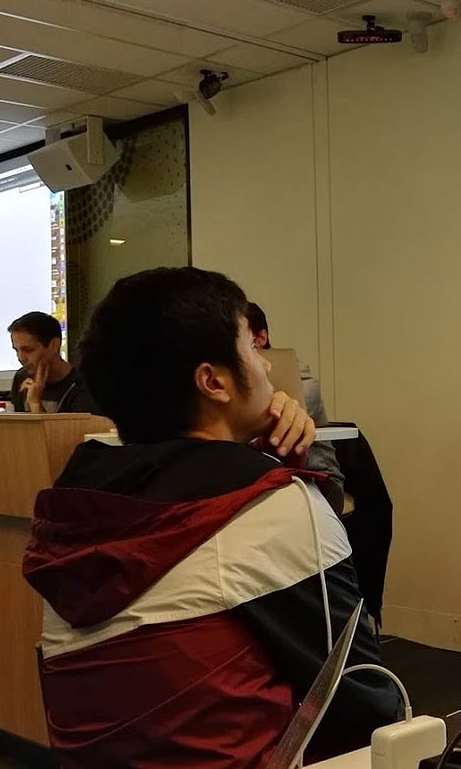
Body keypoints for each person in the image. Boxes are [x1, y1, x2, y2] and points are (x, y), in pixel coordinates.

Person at [22, 267, 400, 767]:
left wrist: (262, 462)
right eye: (252, 348)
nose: (266, 366)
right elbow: (362, 698)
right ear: (214, 381)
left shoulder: (77, 506)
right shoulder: (272, 508)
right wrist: (279, 481)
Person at [244, 301, 349, 514]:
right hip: (261, 474)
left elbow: (271, 421)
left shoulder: (299, 377)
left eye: (248, 346)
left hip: (317, 477)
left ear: (261, 338)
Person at [7, 311, 100, 414]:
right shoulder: (21, 378)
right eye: (16, 350)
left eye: (28, 350)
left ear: (54, 345)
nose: (20, 357)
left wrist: (35, 403)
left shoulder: (81, 386)